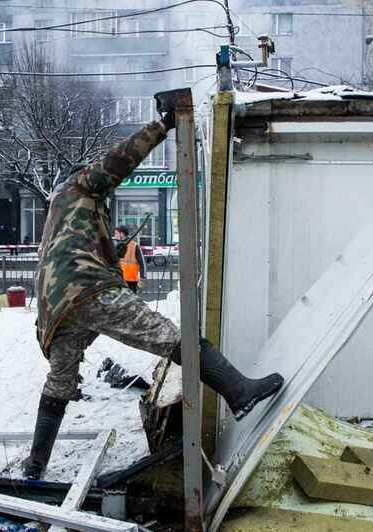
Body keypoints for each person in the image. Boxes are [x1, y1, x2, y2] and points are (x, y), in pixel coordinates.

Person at [24, 107, 284, 479]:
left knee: (60, 382)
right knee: (172, 338)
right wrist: (162, 125)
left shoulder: (57, 212)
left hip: (57, 312)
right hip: (88, 291)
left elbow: (77, 257)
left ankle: (35, 465)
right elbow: (121, 159)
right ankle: (240, 392)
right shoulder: (81, 186)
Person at [113, 225, 147, 293]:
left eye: (116, 233)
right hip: (118, 280)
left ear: (122, 234)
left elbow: (142, 263)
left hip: (131, 281)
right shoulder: (115, 244)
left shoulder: (134, 245)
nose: (115, 235)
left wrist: (142, 278)